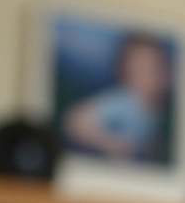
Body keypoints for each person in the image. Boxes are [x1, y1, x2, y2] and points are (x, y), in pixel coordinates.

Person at [63, 33, 171, 163]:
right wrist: (111, 144)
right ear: (124, 74)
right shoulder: (125, 101)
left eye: (152, 69)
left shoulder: (159, 112)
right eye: (139, 71)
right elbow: (76, 120)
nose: (148, 79)